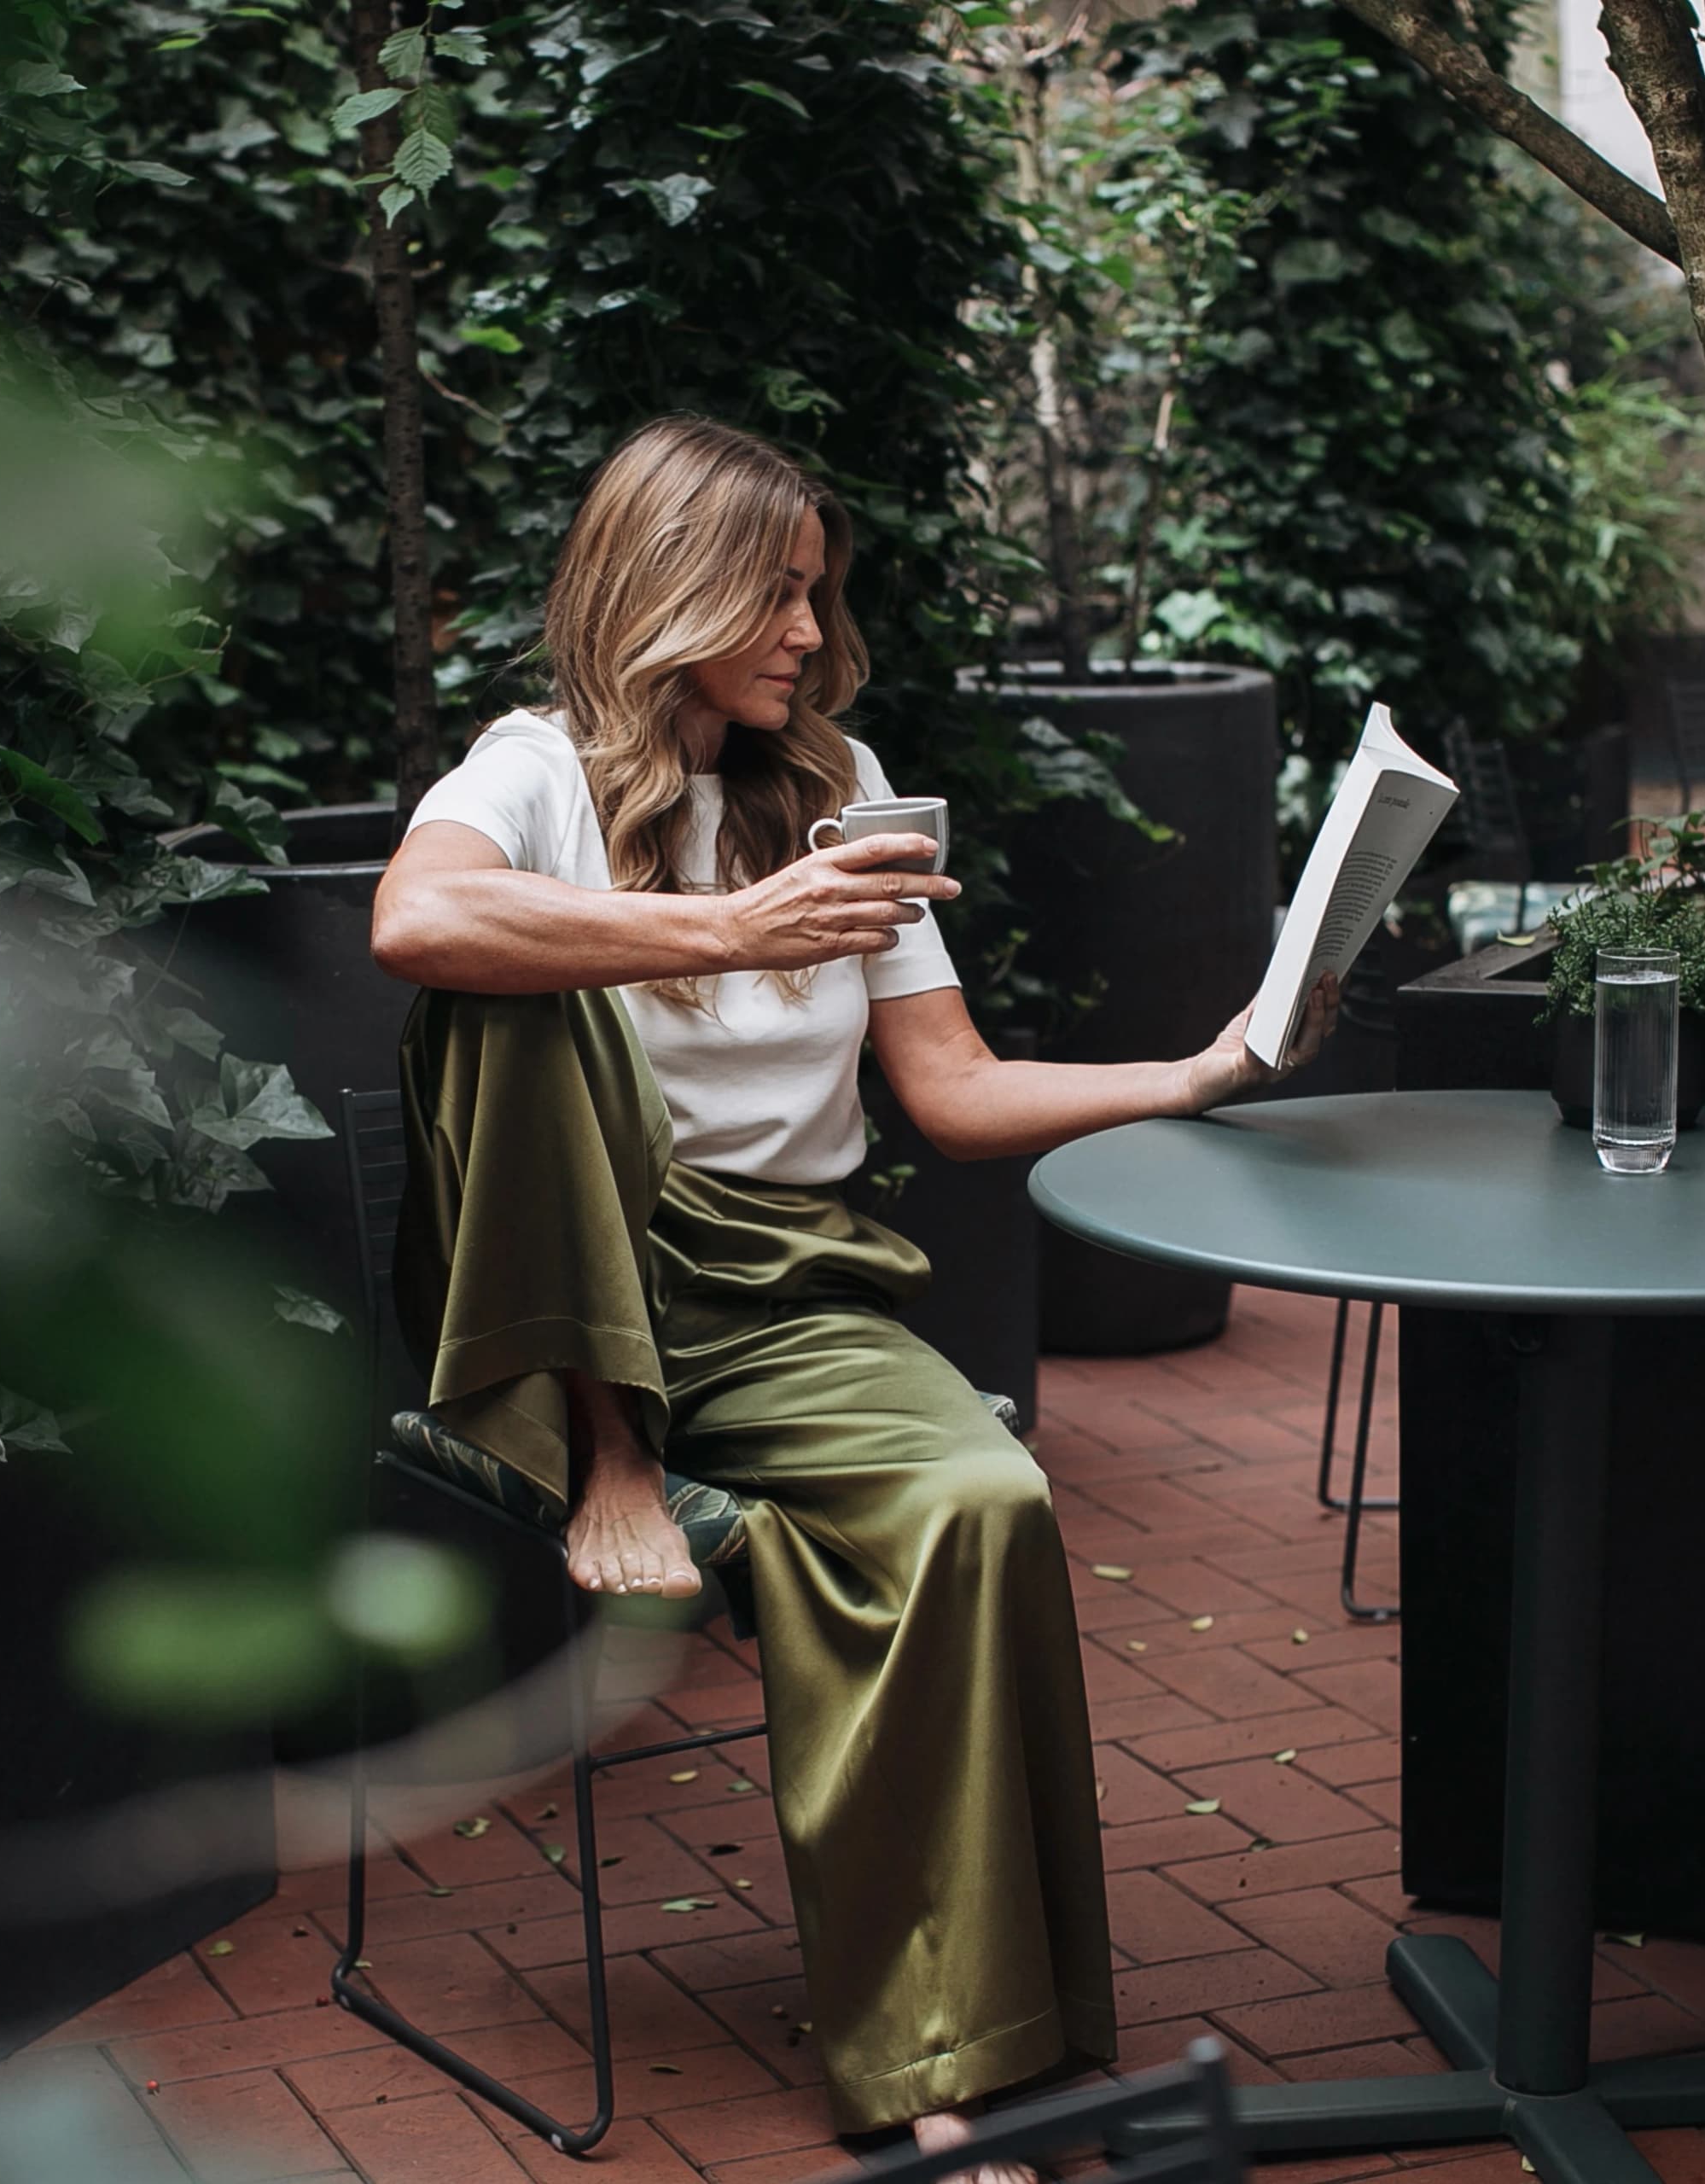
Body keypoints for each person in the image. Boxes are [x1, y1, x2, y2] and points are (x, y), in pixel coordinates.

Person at [370, 415, 1335, 2177]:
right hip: (572, 1290)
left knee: (983, 1497)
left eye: (822, 595)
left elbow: (954, 1093)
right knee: (518, 990)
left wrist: (1200, 1071)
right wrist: (730, 930)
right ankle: (614, 1458)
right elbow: (416, 922)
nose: (813, 633)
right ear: (669, 585)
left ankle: (960, 2034)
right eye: (779, 593)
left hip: (791, 1295)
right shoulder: (528, 772)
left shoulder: (839, 788)